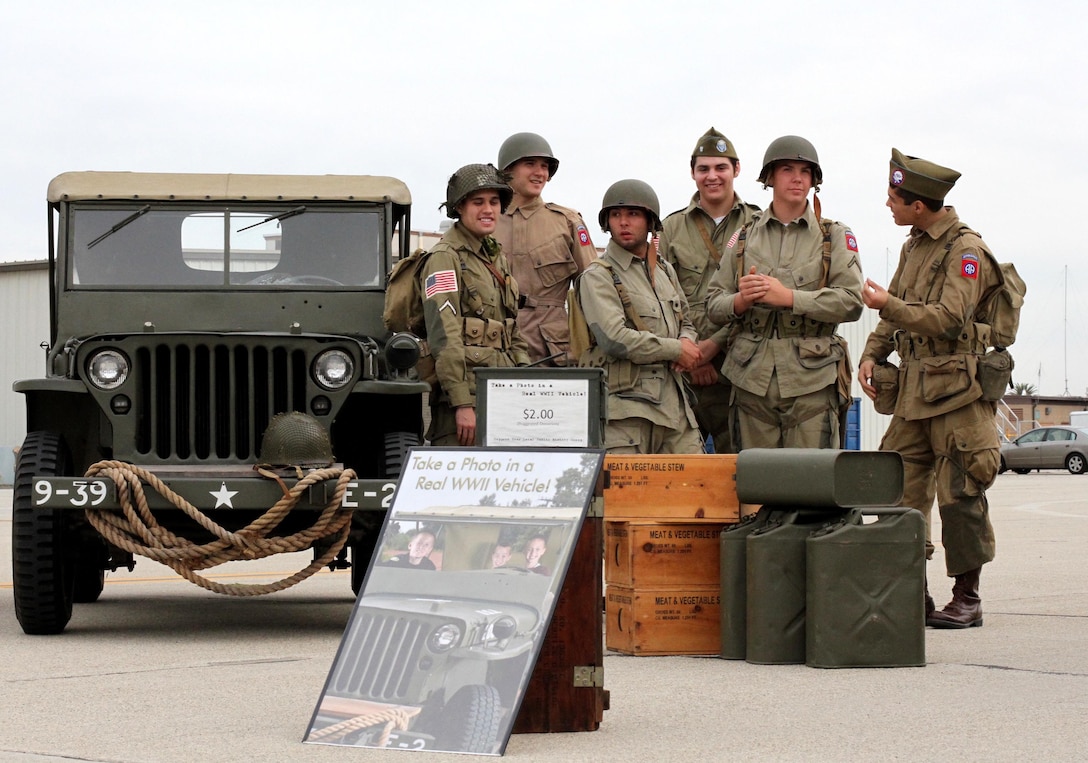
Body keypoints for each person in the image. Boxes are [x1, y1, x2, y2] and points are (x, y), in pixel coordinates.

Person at [858, 148, 1003, 629]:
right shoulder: (914, 245)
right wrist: (871, 354)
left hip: (959, 393)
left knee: (961, 491)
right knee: (898, 488)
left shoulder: (966, 251)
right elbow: (892, 311)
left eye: (894, 198)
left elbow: (947, 318)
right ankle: (910, 592)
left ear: (918, 204)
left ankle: (967, 597)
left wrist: (889, 305)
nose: (888, 206)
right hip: (916, 393)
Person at [705, 135, 863, 450]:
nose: (797, 178)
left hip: (812, 383)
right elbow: (713, 304)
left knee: (811, 485)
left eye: (805, 172)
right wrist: (740, 300)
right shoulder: (745, 237)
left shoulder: (833, 236)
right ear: (770, 178)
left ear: (814, 180)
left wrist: (789, 298)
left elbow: (851, 301)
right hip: (752, 380)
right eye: (788, 169)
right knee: (756, 486)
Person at [575, 179, 704, 454]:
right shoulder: (598, 275)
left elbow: (687, 321)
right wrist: (676, 350)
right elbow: (614, 339)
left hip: (675, 407)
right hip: (627, 414)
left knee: (695, 490)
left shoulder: (665, 270)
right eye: (616, 215)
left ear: (650, 222)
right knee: (628, 495)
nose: (623, 222)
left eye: (633, 214)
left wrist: (686, 342)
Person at [659, 127, 760, 453]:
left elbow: (759, 297)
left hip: (741, 372)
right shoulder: (671, 228)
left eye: (721, 168)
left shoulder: (758, 224)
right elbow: (660, 296)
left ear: (737, 169)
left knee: (742, 472)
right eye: (703, 169)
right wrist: (692, 354)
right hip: (684, 372)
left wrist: (713, 348)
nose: (712, 176)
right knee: (683, 473)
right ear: (693, 173)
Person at [421, 164, 531, 446]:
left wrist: (526, 383)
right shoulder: (444, 258)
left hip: (503, 394)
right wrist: (461, 403)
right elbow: (444, 335)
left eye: (494, 202)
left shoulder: (496, 257)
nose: (488, 210)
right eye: (478, 202)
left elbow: (511, 329)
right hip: (464, 404)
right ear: (459, 207)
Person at [493, 132, 598, 366]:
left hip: (552, 350)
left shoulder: (568, 222)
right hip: (494, 345)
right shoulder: (486, 222)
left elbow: (594, 289)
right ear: (506, 170)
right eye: (529, 164)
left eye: (544, 166)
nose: (540, 173)